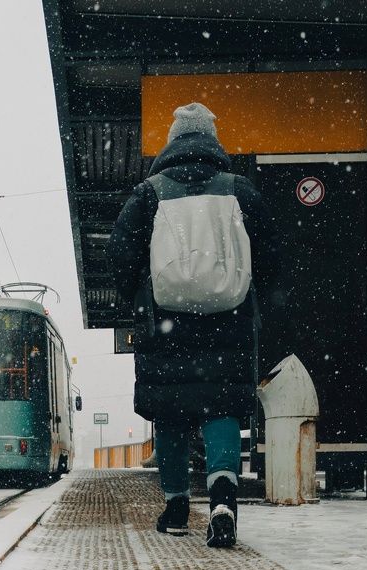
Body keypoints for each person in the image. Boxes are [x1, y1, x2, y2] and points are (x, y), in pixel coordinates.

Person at [108, 102, 281, 547]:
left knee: (170, 414)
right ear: (212, 140)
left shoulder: (149, 192)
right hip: (230, 317)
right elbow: (271, 252)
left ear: (172, 142)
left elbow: (120, 256)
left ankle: (177, 507)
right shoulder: (238, 189)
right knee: (220, 409)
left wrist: (140, 295)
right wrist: (254, 292)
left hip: (166, 323)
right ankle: (223, 498)